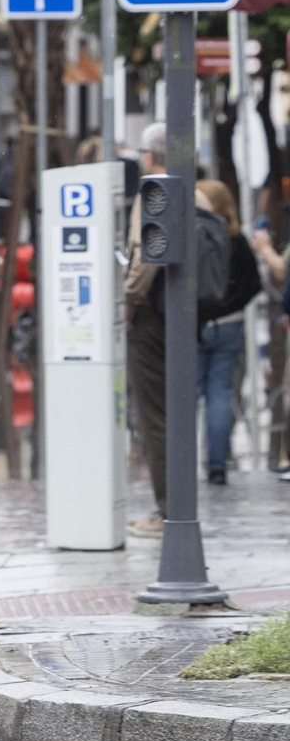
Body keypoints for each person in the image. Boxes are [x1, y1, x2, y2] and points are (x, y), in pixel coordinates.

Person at [124, 123, 216, 537]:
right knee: (177, 412)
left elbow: (147, 257)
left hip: (152, 316)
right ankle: (177, 505)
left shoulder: (154, 191)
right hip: (182, 314)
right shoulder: (195, 192)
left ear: (148, 156)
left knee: (155, 416)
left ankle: (168, 511)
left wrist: (126, 300)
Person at [194, 179, 261, 485]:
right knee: (220, 393)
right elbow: (253, 285)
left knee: (188, 394)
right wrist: (228, 306)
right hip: (230, 325)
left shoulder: (195, 235)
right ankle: (217, 465)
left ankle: (180, 464)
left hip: (195, 324)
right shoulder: (238, 241)